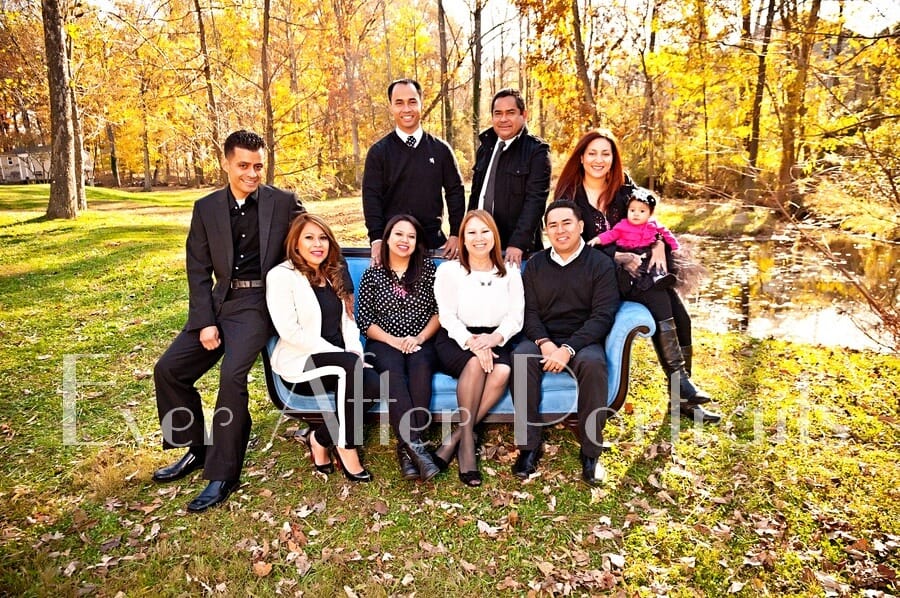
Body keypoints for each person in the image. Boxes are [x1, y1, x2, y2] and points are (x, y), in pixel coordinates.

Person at [152, 130, 304, 512]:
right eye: (243, 166)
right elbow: (198, 269)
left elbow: (315, 238)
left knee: (232, 376)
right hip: (220, 302)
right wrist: (205, 321)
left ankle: (223, 473)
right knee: (169, 369)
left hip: (258, 304)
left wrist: (339, 288)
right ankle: (196, 448)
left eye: (258, 166)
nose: (252, 174)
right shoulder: (206, 208)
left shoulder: (282, 202)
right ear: (225, 163)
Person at [554, 129, 721, 423]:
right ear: (581, 158)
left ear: (614, 158)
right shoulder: (569, 195)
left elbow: (647, 219)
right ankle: (680, 385)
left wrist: (657, 245)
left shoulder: (623, 187)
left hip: (637, 270)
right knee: (657, 296)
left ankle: (684, 396)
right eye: (592, 153)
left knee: (681, 317)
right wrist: (614, 256)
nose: (599, 159)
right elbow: (568, 242)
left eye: (606, 153)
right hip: (595, 276)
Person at [510, 200, 620, 486]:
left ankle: (590, 452)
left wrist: (568, 349)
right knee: (521, 358)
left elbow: (602, 315)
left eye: (566, 223)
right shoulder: (535, 265)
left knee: (595, 365)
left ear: (581, 226)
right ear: (546, 231)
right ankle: (528, 447)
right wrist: (544, 342)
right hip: (543, 337)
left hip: (583, 339)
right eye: (553, 225)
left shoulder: (600, 264)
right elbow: (529, 311)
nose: (560, 231)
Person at [266, 214, 381, 483]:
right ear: (295, 244)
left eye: (323, 238)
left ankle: (319, 438)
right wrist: (343, 357)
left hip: (339, 362)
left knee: (374, 382)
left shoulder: (330, 273)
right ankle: (347, 446)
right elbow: (290, 332)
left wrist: (353, 351)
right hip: (301, 364)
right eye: (309, 238)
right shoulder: (281, 276)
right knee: (350, 367)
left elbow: (348, 321)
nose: (317, 244)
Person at [432, 210, 524, 486]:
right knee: (474, 363)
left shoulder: (510, 272)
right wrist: (472, 343)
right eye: (471, 232)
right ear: (462, 239)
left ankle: (456, 437)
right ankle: (467, 450)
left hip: (497, 336)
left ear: (494, 236)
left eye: (485, 231)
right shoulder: (449, 271)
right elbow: (446, 316)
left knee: (502, 372)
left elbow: (515, 317)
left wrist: (494, 339)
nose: (478, 238)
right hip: (457, 337)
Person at [357, 215, 441, 481]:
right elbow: (364, 320)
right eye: (399, 234)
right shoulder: (373, 274)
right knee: (392, 377)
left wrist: (419, 338)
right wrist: (393, 340)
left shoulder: (428, 270)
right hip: (383, 342)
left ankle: (407, 451)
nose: (405, 240)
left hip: (420, 339)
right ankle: (418, 448)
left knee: (420, 371)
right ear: (388, 238)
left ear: (417, 243)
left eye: (411, 236)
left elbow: (439, 312)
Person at [362, 78, 466, 266]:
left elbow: (455, 192)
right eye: (399, 103)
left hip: (434, 246)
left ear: (421, 103)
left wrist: (456, 233)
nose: (406, 109)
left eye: (412, 101)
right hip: (394, 249)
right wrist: (376, 239)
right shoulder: (378, 152)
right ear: (391, 107)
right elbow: (371, 198)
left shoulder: (441, 150)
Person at [468, 88, 551, 266]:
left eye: (510, 113)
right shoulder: (485, 148)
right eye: (498, 113)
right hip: (480, 246)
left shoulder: (537, 151)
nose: (503, 119)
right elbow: (476, 196)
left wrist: (517, 244)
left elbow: (535, 202)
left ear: (524, 115)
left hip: (515, 252)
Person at [592, 186, 678, 291]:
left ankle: (659, 277)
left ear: (649, 214)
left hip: (647, 250)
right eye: (632, 210)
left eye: (642, 211)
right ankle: (632, 282)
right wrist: (598, 239)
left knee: (654, 263)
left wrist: (675, 247)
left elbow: (666, 233)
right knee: (632, 268)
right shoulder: (623, 225)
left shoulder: (652, 224)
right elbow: (611, 235)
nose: (636, 214)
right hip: (628, 250)